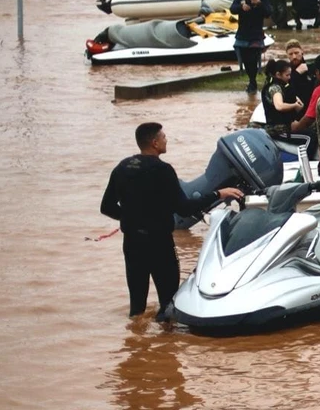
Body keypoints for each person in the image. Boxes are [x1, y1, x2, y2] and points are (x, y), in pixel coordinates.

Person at [101, 123, 244, 320]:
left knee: (136, 309)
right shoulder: (163, 170)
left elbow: (106, 207)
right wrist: (218, 194)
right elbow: (185, 209)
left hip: (132, 244)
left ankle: (136, 347)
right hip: (159, 244)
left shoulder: (122, 167)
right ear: (154, 142)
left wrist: (130, 218)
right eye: (163, 137)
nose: (166, 140)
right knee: (168, 304)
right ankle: (167, 347)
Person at [232, 0, 271, 93]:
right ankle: (251, 80)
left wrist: (259, 4)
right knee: (245, 60)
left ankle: (253, 82)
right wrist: (241, 7)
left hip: (256, 35)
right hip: (243, 35)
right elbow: (232, 9)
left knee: (253, 59)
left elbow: (268, 13)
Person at [261, 59, 304, 138]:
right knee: (311, 136)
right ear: (278, 74)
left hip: (287, 125)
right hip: (278, 130)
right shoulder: (275, 88)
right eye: (287, 75)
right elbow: (279, 106)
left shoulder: (283, 86)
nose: (289, 77)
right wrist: (294, 105)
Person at [284, 39, 317, 108]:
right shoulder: (285, 72)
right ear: (287, 55)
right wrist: (296, 74)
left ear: (302, 52)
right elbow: (286, 90)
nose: (294, 57)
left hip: (313, 104)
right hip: (296, 107)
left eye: (296, 53)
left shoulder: (312, 67)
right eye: (291, 54)